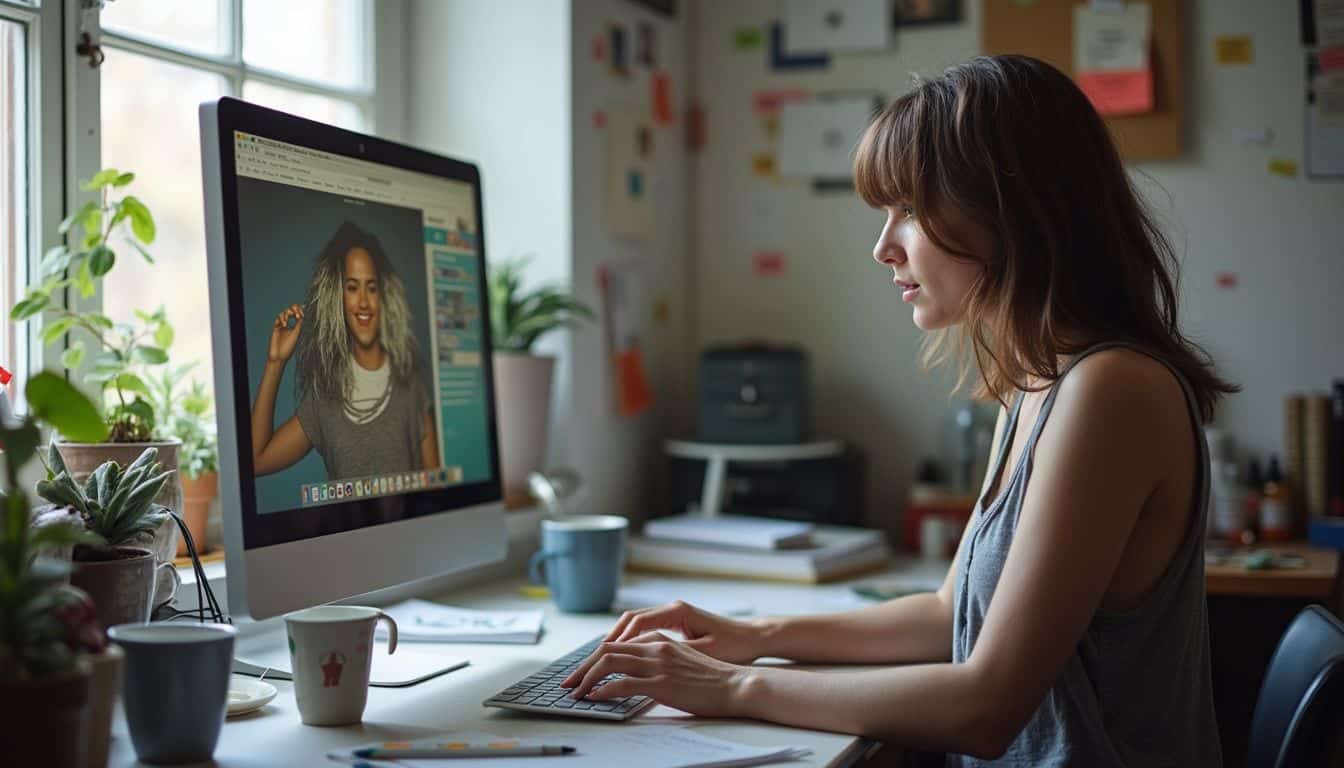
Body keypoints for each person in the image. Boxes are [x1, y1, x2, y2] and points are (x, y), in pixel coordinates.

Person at [561, 55, 1235, 766]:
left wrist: (733, 685)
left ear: (1013, 208)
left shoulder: (1112, 391)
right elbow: (949, 617)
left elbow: (986, 704)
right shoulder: (1038, 385)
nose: (883, 246)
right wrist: (755, 634)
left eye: (910, 208)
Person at [251, 220, 440, 480]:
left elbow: (437, 489)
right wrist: (275, 362)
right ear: (337, 297)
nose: (363, 302)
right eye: (352, 288)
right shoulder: (324, 397)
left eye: (371, 288)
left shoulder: (410, 384)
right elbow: (256, 461)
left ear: (383, 296)